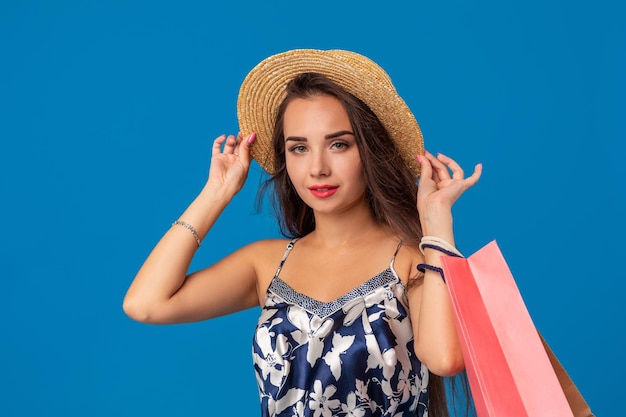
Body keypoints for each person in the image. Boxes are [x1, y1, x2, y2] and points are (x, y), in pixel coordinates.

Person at [123, 49, 481, 417]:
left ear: (370, 150)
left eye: (338, 144)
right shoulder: (267, 264)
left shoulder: (412, 261)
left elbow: (444, 359)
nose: (317, 168)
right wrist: (217, 191)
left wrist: (436, 224)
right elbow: (146, 304)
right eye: (299, 148)